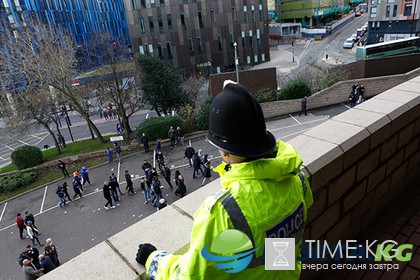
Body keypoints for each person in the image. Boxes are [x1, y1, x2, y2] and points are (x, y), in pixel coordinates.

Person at [136, 81, 313, 279]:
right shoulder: (297, 179)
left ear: (224, 153)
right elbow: (275, 252)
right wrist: (246, 108)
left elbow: (190, 276)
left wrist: (154, 259)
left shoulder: (224, 211)